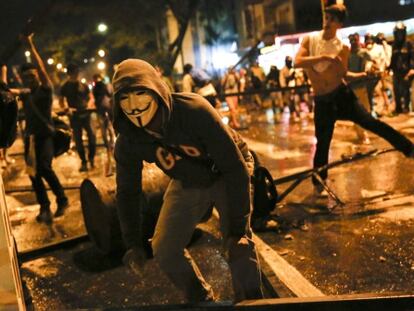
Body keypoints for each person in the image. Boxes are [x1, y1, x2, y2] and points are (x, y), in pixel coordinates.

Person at [112, 59, 263, 303]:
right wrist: (132, 243)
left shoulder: (193, 110)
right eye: (124, 97)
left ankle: (253, 302)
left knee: (238, 245)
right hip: (188, 177)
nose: (134, 104)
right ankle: (200, 299)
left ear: (156, 89)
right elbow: (127, 192)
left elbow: (234, 168)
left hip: (226, 169)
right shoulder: (128, 140)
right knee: (164, 248)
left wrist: (238, 227)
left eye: (141, 92)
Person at [294, 4, 414, 194]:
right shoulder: (310, 40)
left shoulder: (342, 47)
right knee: (323, 141)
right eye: (326, 17)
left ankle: (408, 148)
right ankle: (319, 182)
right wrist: (322, 57)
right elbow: (297, 61)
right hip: (323, 100)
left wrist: (364, 75)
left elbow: (344, 75)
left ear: (339, 24)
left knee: (371, 122)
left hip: (342, 95)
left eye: (332, 19)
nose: (327, 22)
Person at [19, 35, 68, 223]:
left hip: (45, 137)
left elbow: (41, 67)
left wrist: (31, 45)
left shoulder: (45, 91)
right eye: (26, 77)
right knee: (33, 174)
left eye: (32, 76)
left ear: (37, 76)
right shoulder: (25, 94)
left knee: (45, 168)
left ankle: (62, 200)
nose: (29, 79)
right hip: (30, 139)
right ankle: (45, 207)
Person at [59, 64, 96, 172]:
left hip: (86, 114)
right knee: (78, 140)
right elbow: (61, 100)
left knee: (92, 137)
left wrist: (89, 104)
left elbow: (90, 97)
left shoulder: (83, 85)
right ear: (69, 74)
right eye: (74, 72)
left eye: (77, 72)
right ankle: (83, 162)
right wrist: (66, 108)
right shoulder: (65, 86)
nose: (76, 75)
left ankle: (91, 158)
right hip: (74, 116)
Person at [92, 73, 115, 176]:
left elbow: (96, 98)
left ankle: (109, 145)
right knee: (109, 127)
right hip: (107, 109)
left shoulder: (95, 87)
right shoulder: (105, 85)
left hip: (101, 110)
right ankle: (111, 144)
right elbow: (110, 95)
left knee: (105, 128)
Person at [390, 22, 414, 114]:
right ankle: (398, 109)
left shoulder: (408, 44)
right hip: (396, 72)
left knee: (406, 90)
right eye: (398, 33)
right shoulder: (394, 45)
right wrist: (389, 67)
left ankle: (407, 108)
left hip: (406, 72)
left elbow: (412, 57)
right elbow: (393, 58)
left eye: (401, 32)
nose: (399, 35)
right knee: (396, 90)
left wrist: (412, 69)